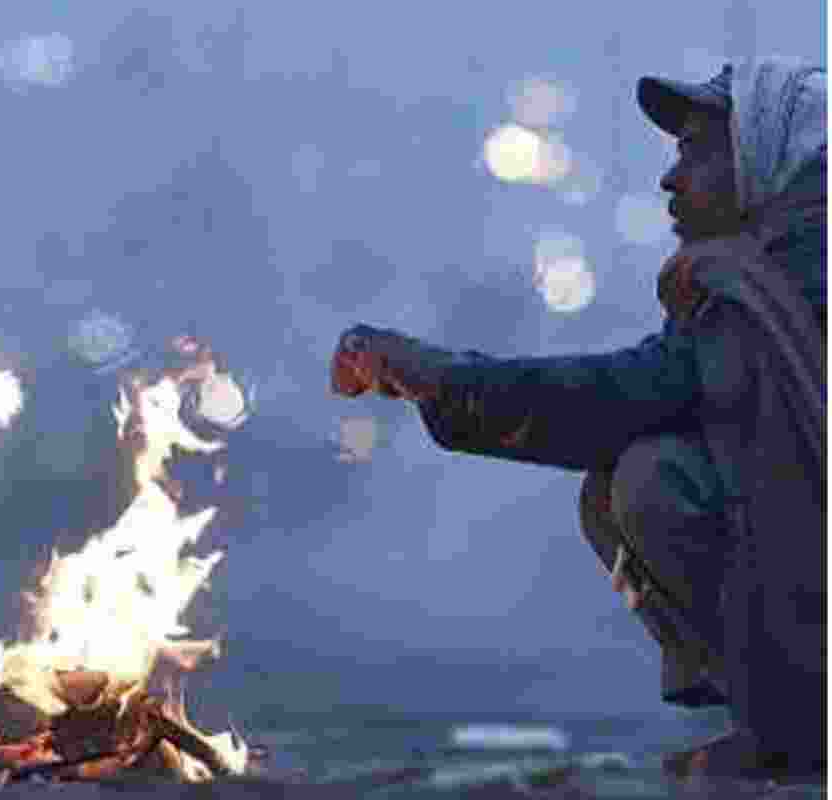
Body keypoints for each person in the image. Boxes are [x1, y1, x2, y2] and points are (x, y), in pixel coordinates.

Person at [332, 58, 825, 782]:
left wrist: (436, 374)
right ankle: (787, 722)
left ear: (761, 156)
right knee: (639, 473)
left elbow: (626, 398)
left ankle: (798, 731)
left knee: (653, 478)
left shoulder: (788, 274)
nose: (671, 177)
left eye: (696, 149)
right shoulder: (767, 266)